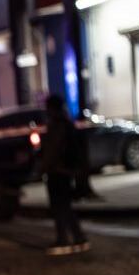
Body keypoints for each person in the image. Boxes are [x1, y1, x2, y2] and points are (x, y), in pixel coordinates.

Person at [41, 95, 89, 254]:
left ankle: (63, 240)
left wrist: (44, 167)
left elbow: (53, 150)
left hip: (57, 170)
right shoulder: (67, 123)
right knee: (65, 206)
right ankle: (79, 238)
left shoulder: (56, 125)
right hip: (66, 170)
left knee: (59, 207)